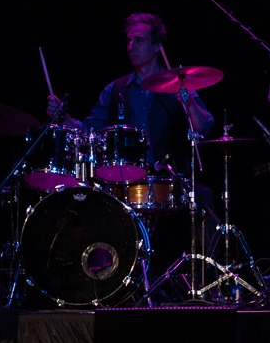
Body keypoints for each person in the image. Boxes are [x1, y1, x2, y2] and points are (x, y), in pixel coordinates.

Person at [45, 12, 218, 215]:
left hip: (171, 181)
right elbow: (87, 131)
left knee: (205, 200)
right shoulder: (115, 89)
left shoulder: (178, 84)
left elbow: (204, 126)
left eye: (139, 40)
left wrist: (188, 102)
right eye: (128, 40)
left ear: (156, 46)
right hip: (125, 182)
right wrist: (63, 117)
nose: (131, 46)